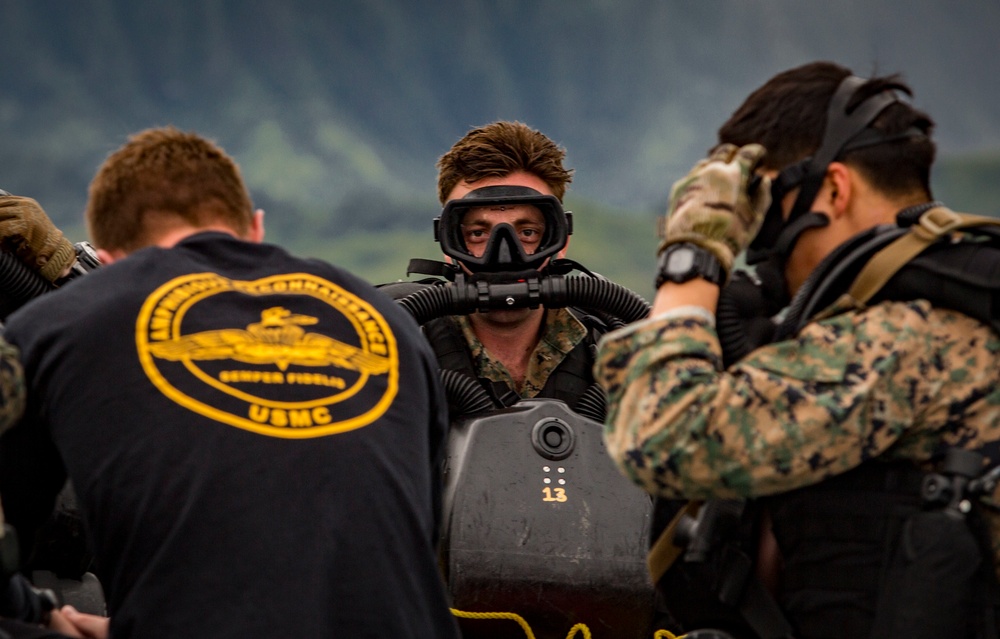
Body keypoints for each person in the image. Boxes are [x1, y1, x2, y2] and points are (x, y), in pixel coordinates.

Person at [0, 127, 460, 638]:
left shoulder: (56, 326)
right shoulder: (389, 323)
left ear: (107, 260)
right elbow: (405, 537)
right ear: (256, 230)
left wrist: (45, 615)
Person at [595, 61, 1000, 638]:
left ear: (834, 189)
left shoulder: (904, 337)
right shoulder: (952, 307)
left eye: (764, 213)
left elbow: (661, 436)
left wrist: (694, 253)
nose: (761, 248)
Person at [404, 120, 601, 411]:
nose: (505, 254)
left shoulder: (614, 344)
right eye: (479, 234)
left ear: (560, 240)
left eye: (528, 232)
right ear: (448, 245)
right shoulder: (398, 347)